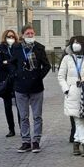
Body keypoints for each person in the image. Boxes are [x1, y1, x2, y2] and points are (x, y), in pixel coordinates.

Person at [10, 24, 51, 153]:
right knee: (23, 116)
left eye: (32, 33)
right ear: (22, 35)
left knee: (37, 116)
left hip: (36, 87)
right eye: (27, 33)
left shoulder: (39, 48)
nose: (30, 35)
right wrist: (15, 74)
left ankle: (36, 141)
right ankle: (26, 141)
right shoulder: (16, 48)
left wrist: (39, 76)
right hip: (20, 87)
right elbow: (11, 64)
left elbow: (47, 66)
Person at [57, 35, 84, 157]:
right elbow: (61, 76)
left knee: (80, 119)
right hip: (72, 93)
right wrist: (66, 89)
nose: (75, 44)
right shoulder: (67, 58)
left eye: (78, 42)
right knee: (78, 120)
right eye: (73, 42)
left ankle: (76, 143)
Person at [0, 29, 20, 137]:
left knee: (20, 105)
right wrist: (10, 63)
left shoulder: (18, 48)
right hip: (5, 79)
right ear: (5, 38)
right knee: (7, 105)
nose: (11, 38)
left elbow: (20, 62)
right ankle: (11, 129)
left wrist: (7, 62)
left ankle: (22, 127)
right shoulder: (0, 49)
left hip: (17, 79)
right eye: (9, 36)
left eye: (13, 36)